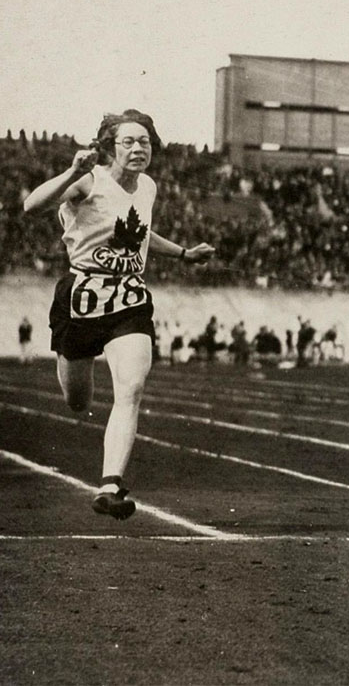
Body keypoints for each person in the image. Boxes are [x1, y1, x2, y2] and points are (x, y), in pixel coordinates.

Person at [22, 109, 215, 520]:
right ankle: (74, 375)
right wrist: (71, 170)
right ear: (110, 146)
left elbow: (140, 233)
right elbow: (30, 206)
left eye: (144, 141)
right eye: (128, 141)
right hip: (81, 296)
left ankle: (110, 485)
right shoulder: (89, 181)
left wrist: (182, 252)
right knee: (78, 400)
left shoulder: (147, 186)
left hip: (128, 298)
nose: (138, 148)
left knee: (131, 386)